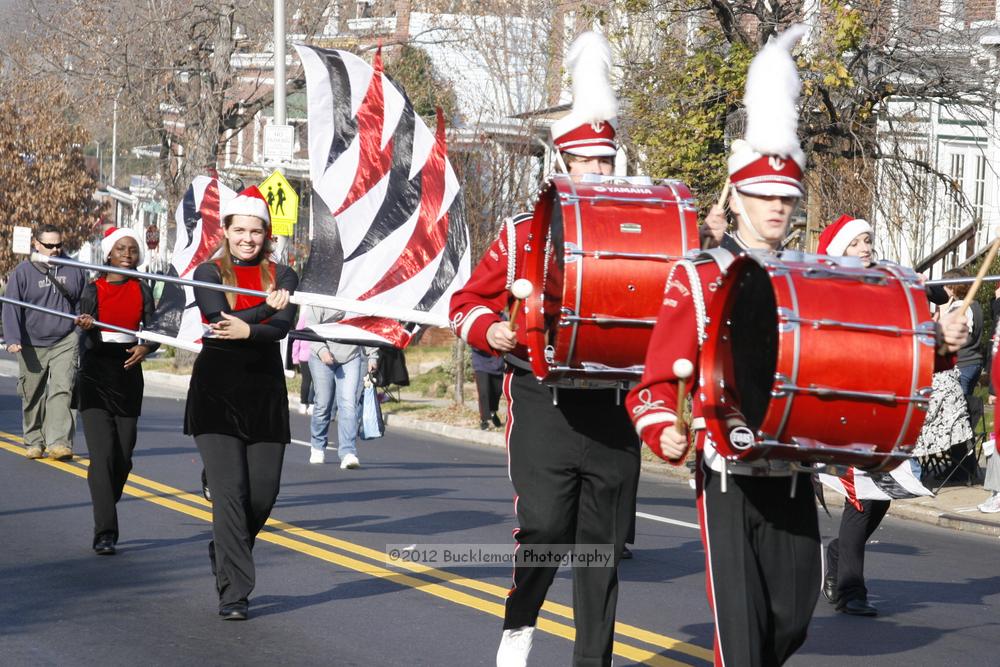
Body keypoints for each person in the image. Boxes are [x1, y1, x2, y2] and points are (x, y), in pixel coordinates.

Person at [627, 29, 969, 665]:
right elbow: (650, 384)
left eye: (787, 197)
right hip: (727, 473)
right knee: (742, 634)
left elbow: (866, 359)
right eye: (765, 196)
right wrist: (661, 431)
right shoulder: (697, 276)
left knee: (792, 617)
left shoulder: (809, 279)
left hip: (793, 475)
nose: (778, 207)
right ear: (737, 194)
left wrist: (939, 347)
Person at [451, 32, 645, 667]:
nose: (597, 171)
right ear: (563, 165)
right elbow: (466, 304)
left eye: (606, 161)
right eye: (586, 162)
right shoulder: (521, 230)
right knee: (545, 528)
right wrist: (492, 330)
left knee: (603, 548)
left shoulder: (643, 235)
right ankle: (520, 621)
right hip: (542, 396)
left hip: (614, 401)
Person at [183, 185, 298, 621]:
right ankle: (234, 593)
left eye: (256, 231)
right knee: (230, 493)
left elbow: (282, 327)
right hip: (217, 389)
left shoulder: (284, 275)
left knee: (262, 496)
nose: (248, 238)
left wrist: (253, 323)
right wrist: (261, 314)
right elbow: (215, 320)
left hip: (264, 391)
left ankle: (226, 546)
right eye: (240, 230)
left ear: (267, 234)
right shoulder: (208, 271)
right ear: (226, 231)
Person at [75, 227, 158, 556]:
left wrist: (146, 347)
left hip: (127, 370)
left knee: (122, 456)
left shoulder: (143, 288)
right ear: (108, 253)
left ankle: (106, 498)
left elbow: (153, 328)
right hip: (96, 370)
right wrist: (85, 326)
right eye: (121, 248)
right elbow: (82, 327)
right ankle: (105, 531)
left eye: (132, 249)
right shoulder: (93, 287)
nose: (127, 253)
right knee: (102, 455)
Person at [2, 223, 88, 460]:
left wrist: (79, 334)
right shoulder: (23, 271)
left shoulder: (75, 268)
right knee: (33, 394)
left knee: (63, 389)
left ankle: (59, 442)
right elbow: (11, 307)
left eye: (58, 245)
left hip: (65, 339)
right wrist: (12, 338)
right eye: (49, 246)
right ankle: (34, 440)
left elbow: (83, 303)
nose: (54, 250)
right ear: (36, 244)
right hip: (31, 342)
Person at [302, 305, 378, 467]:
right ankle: (317, 446)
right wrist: (322, 350)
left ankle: (348, 452)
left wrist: (372, 355)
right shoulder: (322, 295)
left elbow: (367, 326)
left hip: (351, 356)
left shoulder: (358, 295)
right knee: (323, 403)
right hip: (321, 357)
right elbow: (311, 327)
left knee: (348, 404)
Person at [471, 346, 503, 430]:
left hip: (497, 362)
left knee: (498, 390)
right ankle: (485, 419)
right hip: (480, 362)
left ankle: (492, 412)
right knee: (484, 391)